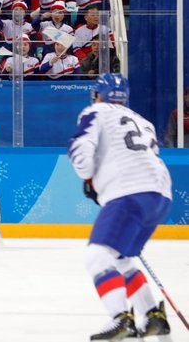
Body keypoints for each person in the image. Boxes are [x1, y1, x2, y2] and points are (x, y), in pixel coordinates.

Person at [68, 74, 172, 340]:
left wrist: (89, 177)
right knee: (120, 258)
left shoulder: (95, 111)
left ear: (98, 95)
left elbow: (81, 149)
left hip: (129, 192)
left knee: (97, 256)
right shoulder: (142, 120)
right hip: (160, 194)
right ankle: (153, 316)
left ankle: (120, 319)